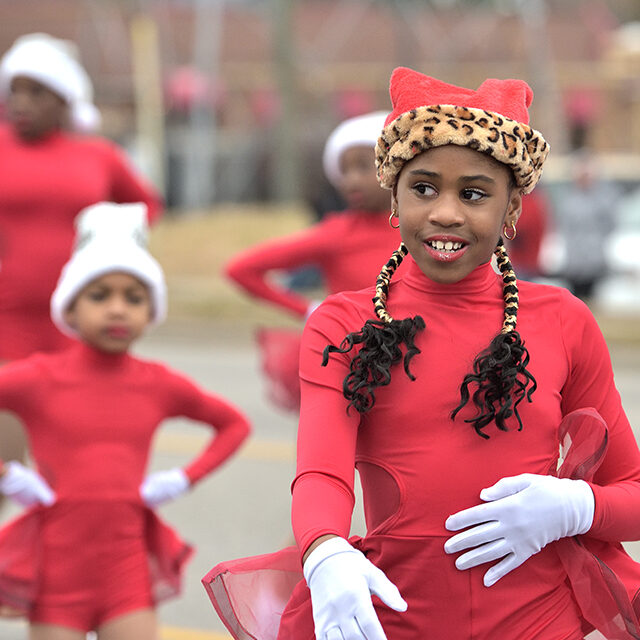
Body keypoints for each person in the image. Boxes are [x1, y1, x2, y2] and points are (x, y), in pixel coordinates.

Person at [203, 68, 640, 640]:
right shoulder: (343, 323)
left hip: (540, 621)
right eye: (424, 187)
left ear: (512, 208)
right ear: (395, 196)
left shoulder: (563, 320)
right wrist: (326, 551)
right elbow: (321, 474)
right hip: (396, 618)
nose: (446, 214)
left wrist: (578, 507)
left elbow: (631, 490)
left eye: (475, 194)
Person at [0, 202, 250, 639]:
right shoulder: (40, 378)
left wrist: (182, 478)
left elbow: (234, 424)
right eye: (100, 296)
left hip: (126, 573)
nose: (118, 309)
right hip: (58, 574)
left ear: (150, 312)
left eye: (134, 298)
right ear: (70, 308)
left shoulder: (158, 384)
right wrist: (5, 475)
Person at [0, 33, 163, 474]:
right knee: (6, 469)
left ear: (65, 100)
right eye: (14, 89)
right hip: (8, 321)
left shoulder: (97, 154)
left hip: (79, 322)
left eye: (36, 92)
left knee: (69, 469)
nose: (20, 102)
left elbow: (146, 204)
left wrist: (116, 241)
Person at [225, 111, 404, 411]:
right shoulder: (337, 233)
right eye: (344, 171)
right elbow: (241, 269)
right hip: (358, 362)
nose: (351, 180)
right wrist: (308, 310)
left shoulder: (423, 229)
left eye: (364, 166)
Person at [554, 151, 621, 300]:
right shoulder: (568, 197)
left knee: (593, 301)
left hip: (594, 260)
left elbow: (611, 224)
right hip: (573, 261)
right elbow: (563, 225)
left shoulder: (603, 198)